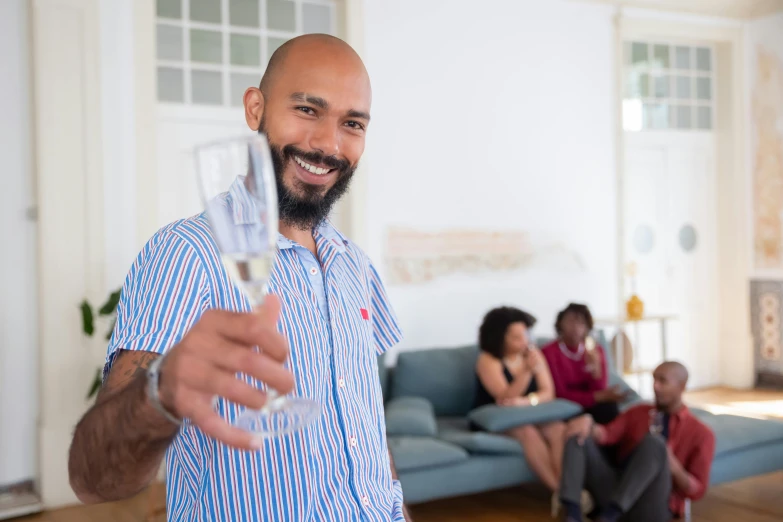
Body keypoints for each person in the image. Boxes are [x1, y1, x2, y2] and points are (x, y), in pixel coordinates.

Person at [67, 34, 413, 522]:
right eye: (308, 110)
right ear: (256, 108)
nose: (329, 144)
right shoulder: (186, 254)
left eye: (352, 124)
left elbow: (366, 428)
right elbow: (94, 478)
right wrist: (162, 393)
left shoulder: (355, 265)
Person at [558, 362, 716, 522]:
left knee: (655, 443)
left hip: (652, 505)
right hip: (614, 491)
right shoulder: (638, 412)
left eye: (663, 381)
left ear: (681, 387)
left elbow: (697, 491)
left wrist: (673, 466)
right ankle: (572, 515)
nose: (655, 386)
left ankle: (610, 515)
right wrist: (588, 422)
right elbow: (606, 434)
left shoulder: (701, 433)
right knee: (577, 433)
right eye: (654, 380)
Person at [473, 307, 567, 495]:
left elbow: (548, 393)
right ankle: (559, 491)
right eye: (516, 338)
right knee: (528, 433)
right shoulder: (487, 360)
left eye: (524, 335)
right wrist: (526, 372)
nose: (524, 341)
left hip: (528, 413)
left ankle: (568, 490)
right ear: (499, 339)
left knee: (557, 428)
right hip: (496, 419)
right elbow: (504, 397)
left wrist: (525, 402)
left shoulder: (533, 353)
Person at [542, 303, 627, 425]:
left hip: (592, 405)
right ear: (560, 324)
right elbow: (558, 393)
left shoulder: (596, 350)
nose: (576, 327)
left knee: (609, 407)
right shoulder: (549, 352)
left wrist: (596, 370)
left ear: (587, 328)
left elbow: (600, 389)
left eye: (581, 323)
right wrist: (595, 397)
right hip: (566, 405)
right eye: (570, 321)